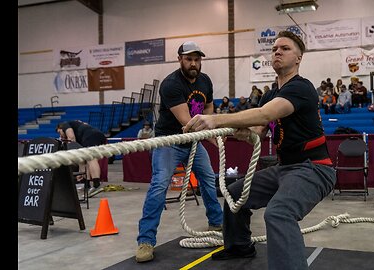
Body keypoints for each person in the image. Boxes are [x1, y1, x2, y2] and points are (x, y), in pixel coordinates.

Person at [184, 31, 336, 270]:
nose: (277, 51)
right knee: (234, 194)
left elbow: (266, 114)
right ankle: (239, 246)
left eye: (285, 48)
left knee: (279, 213)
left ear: (299, 58)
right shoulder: (269, 94)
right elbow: (257, 131)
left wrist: (215, 119)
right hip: (284, 168)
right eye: (275, 48)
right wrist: (237, 131)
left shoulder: (302, 88)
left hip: (313, 169)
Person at [135, 41, 223, 263]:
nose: (193, 63)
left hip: (194, 141)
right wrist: (213, 137)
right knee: (159, 185)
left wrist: (212, 126)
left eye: (197, 59)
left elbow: (209, 108)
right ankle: (146, 240)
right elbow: (187, 122)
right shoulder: (171, 84)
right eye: (189, 59)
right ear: (180, 59)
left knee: (208, 179)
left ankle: (217, 223)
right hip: (169, 141)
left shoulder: (205, 81)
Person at [56, 120, 106, 196]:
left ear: (60, 128)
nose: (61, 136)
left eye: (59, 132)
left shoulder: (64, 124)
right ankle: (87, 184)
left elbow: (72, 138)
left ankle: (96, 184)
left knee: (91, 159)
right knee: (85, 160)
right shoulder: (78, 127)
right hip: (97, 136)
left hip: (92, 136)